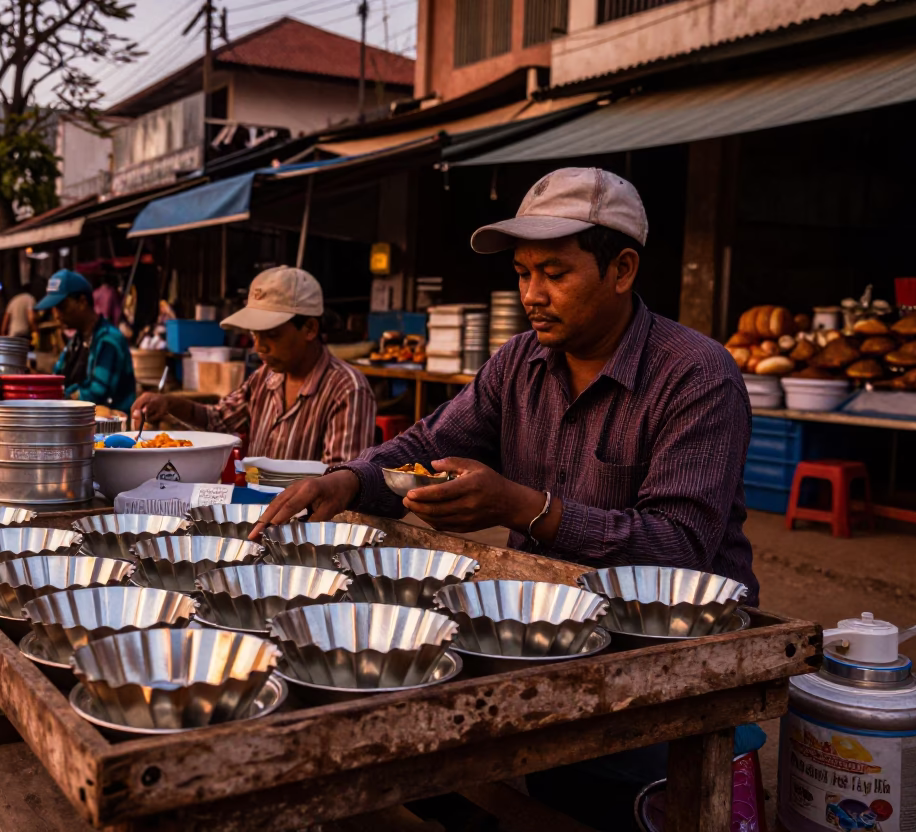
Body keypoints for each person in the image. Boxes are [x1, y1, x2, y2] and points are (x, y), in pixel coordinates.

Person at [255, 169, 759, 829]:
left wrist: (523, 508)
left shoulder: (697, 376)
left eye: (554, 271)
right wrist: (347, 479)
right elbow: (426, 444)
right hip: (546, 636)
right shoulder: (517, 363)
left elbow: (679, 549)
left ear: (623, 268)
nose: (532, 295)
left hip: (671, 655)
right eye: (522, 274)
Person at [132, 267, 376, 466]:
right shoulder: (265, 377)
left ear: (310, 329)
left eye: (272, 335)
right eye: (255, 335)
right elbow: (218, 420)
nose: (259, 347)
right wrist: (169, 403)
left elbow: (342, 482)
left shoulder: (348, 390)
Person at [36, 269, 136, 410]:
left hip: (111, 429)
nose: (57, 315)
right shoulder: (76, 341)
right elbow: (57, 377)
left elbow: (96, 393)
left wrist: (57, 396)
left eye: (62, 307)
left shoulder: (109, 340)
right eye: (54, 309)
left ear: (82, 302)